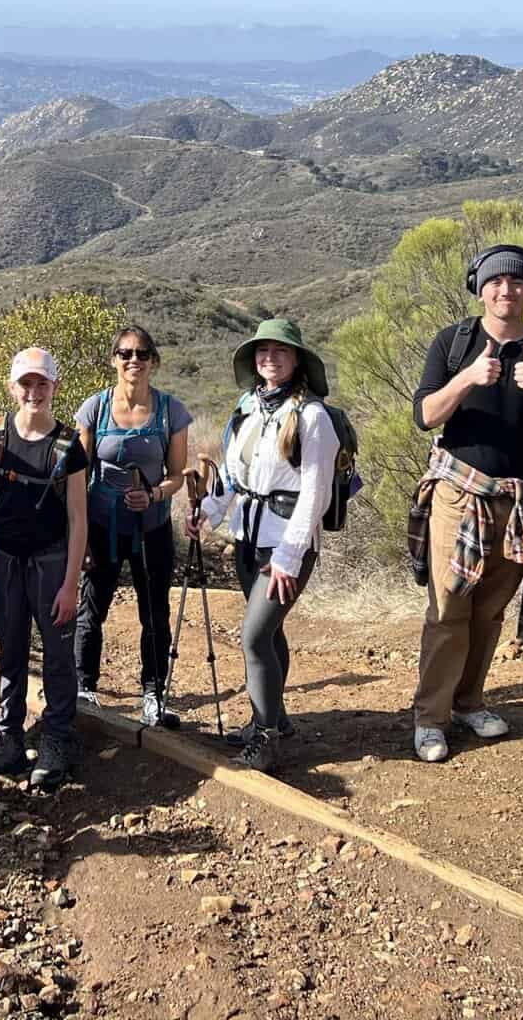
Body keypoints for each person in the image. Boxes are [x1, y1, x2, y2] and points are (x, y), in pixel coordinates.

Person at [408, 245, 523, 763]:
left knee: (490, 610)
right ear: (480, 288)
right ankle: (430, 718)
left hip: (521, 497)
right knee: (449, 606)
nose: (505, 291)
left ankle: (468, 702)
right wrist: (467, 378)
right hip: (459, 493)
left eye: (516, 283)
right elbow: (425, 415)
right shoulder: (455, 342)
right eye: (495, 282)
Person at [190, 319, 335, 774]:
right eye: (262, 351)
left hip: (285, 545)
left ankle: (265, 739)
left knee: (254, 637)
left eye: (280, 351)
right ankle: (274, 719)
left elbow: (316, 492)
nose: (269, 358)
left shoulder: (312, 416)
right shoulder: (247, 407)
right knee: (271, 635)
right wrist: (211, 513)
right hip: (249, 537)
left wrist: (290, 557)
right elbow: (236, 474)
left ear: (297, 361)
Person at [0, 348, 89, 791]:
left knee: (57, 656)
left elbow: (79, 518)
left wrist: (71, 582)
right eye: (26, 384)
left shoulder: (69, 446)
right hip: (4, 560)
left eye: (42, 383)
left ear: (54, 387)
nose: (33, 392)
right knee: (11, 650)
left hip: (51, 562)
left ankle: (57, 737)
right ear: (12, 388)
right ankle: (9, 737)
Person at [73, 325, 192, 726]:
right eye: (125, 354)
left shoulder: (170, 411)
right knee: (92, 607)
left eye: (142, 354)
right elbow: (78, 472)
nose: (134, 361)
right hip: (101, 526)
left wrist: (155, 494)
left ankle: (154, 693)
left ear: (153, 361)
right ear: (113, 360)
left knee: (154, 612)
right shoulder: (95, 408)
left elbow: (177, 474)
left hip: (152, 527)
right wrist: (79, 535)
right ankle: (84, 686)